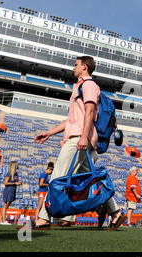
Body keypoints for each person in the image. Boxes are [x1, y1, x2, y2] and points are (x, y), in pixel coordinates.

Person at [34, 56, 125, 230]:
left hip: (79, 139)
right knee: (94, 180)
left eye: (76, 65)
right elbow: (71, 120)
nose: (73, 67)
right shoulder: (79, 86)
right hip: (80, 137)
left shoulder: (89, 85)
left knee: (57, 176)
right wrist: (50, 133)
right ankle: (115, 213)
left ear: (84, 67)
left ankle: (43, 219)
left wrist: (83, 136)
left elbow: (90, 112)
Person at [0, 161, 22, 225]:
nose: (18, 166)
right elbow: (5, 182)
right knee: (5, 206)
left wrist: (18, 183)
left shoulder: (16, 174)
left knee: (6, 206)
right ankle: (3, 221)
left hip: (13, 190)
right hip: (8, 190)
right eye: (16, 165)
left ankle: (0, 220)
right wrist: (14, 183)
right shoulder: (9, 174)